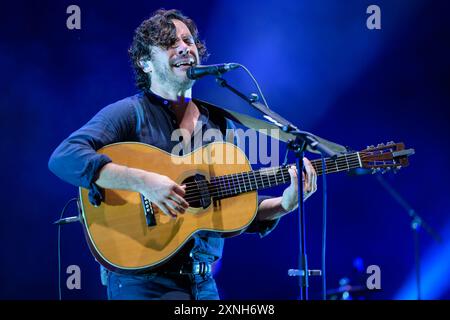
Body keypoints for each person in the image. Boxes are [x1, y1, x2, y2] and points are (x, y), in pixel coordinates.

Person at [48, 9, 317, 300]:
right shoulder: (129, 113)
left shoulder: (217, 123)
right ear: (145, 63)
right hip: (143, 281)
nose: (184, 47)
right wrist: (143, 182)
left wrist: (283, 204)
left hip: (203, 283)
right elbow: (64, 157)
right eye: (168, 43)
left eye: (188, 40)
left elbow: (225, 206)